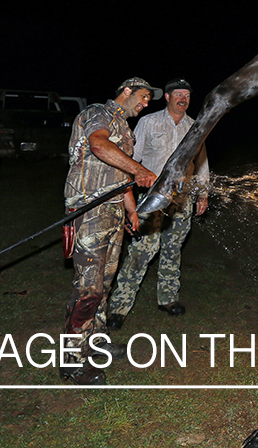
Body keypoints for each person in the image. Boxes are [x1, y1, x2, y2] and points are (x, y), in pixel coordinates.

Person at [60, 77, 161, 386]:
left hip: (113, 213)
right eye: (143, 96)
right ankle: (72, 360)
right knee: (88, 289)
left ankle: (96, 342)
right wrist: (139, 169)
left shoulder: (125, 130)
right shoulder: (98, 114)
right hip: (89, 212)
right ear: (126, 91)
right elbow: (99, 146)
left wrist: (131, 210)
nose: (145, 103)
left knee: (104, 283)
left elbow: (119, 173)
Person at [106, 79, 209, 328]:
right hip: (152, 197)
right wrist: (128, 190)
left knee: (173, 249)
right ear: (167, 97)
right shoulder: (149, 122)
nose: (183, 99)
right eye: (178, 95)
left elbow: (202, 162)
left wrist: (203, 194)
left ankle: (168, 298)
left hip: (182, 198)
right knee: (142, 251)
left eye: (187, 95)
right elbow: (132, 158)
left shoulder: (195, 127)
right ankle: (119, 307)